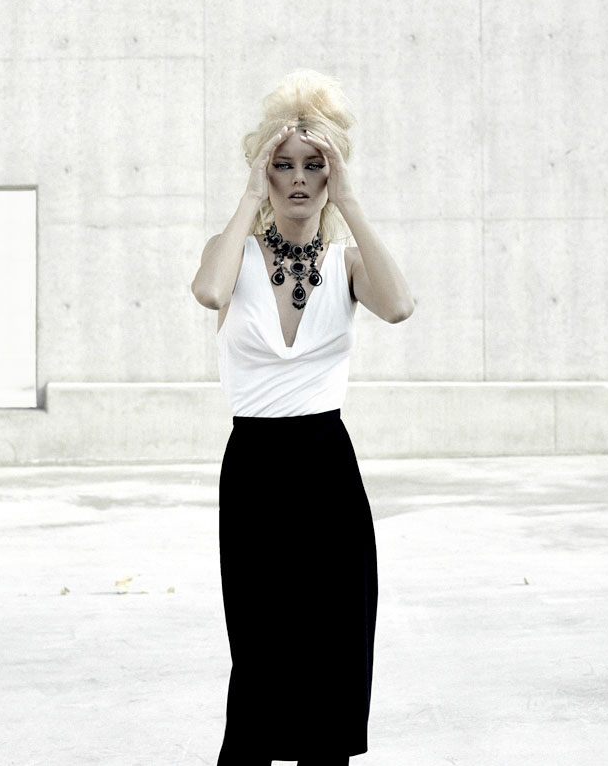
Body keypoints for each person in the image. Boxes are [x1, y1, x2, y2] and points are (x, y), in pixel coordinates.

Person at [191, 70, 415, 764]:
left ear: (331, 172)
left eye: (314, 166)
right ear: (265, 169)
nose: (297, 179)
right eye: (283, 164)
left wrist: (349, 199)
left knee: (333, 660)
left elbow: (399, 305)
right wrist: (247, 195)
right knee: (260, 663)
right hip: (255, 472)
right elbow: (209, 291)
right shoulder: (233, 256)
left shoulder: (347, 265)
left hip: (328, 472)